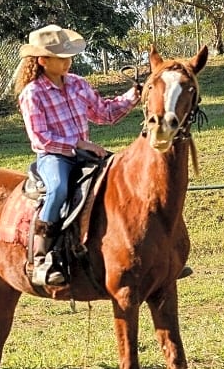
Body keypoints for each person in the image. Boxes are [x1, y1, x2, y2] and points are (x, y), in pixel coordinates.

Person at [15, 25, 140, 286]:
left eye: (68, 56)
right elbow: (40, 138)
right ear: (42, 60)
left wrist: (133, 96)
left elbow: (104, 113)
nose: (68, 62)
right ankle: (40, 258)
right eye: (61, 58)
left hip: (84, 153)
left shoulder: (78, 84)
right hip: (54, 157)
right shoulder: (32, 93)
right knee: (58, 189)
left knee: (121, 182)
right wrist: (78, 144)